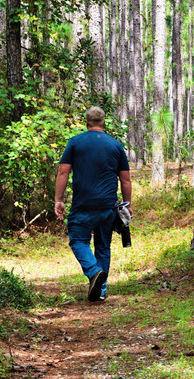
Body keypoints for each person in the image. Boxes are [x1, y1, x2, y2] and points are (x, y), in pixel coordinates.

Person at [54, 107, 132, 302]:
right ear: (103, 122)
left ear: (86, 122)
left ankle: (94, 271)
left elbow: (63, 172)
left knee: (78, 241)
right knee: (103, 247)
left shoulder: (75, 142)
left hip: (83, 205)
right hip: (108, 206)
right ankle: (101, 290)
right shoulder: (115, 145)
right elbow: (126, 180)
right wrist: (127, 205)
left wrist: (59, 200)